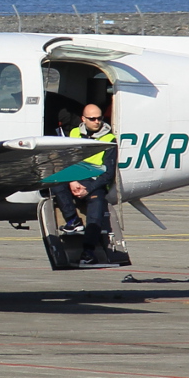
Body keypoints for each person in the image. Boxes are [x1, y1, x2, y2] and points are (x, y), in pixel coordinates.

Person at [53, 103, 119, 266]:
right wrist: (72, 180)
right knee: (55, 182)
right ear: (83, 119)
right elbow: (67, 161)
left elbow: (108, 174)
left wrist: (87, 189)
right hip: (77, 178)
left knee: (96, 207)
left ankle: (88, 252)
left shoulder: (109, 139)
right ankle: (73, 220)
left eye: (99, 118)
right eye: (92, 119)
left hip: (96, 181)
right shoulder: (74, 133)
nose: (97, 122)